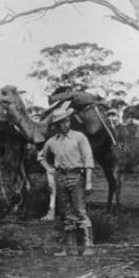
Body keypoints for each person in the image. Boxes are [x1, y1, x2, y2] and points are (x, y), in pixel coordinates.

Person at [37, 107, 95, 257]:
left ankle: (89, 247)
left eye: (67, 121)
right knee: (67, 214)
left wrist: (88, 181)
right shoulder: (52, 142)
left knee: (80, 211)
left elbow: (88, 159)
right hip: (60, 178)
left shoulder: (79, 137)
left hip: (76, 177)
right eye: (61, 122)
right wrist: (49, 168)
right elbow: (41, 156)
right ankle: (71, 249)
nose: (65, 124)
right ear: (56, 125)